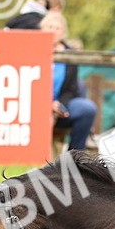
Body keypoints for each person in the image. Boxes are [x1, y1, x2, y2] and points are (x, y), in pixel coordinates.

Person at [42, 12, 97, 152]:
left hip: (60, 104)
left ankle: (75, 157)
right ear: (42, 28)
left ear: (64, 32)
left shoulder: (70, 54)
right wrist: (46, 104)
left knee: (87, 108)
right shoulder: (32, 51)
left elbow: (71, 89)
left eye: (57, 28)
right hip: (35, 105)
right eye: (50, 26)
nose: (53, 31)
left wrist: (58, 105)